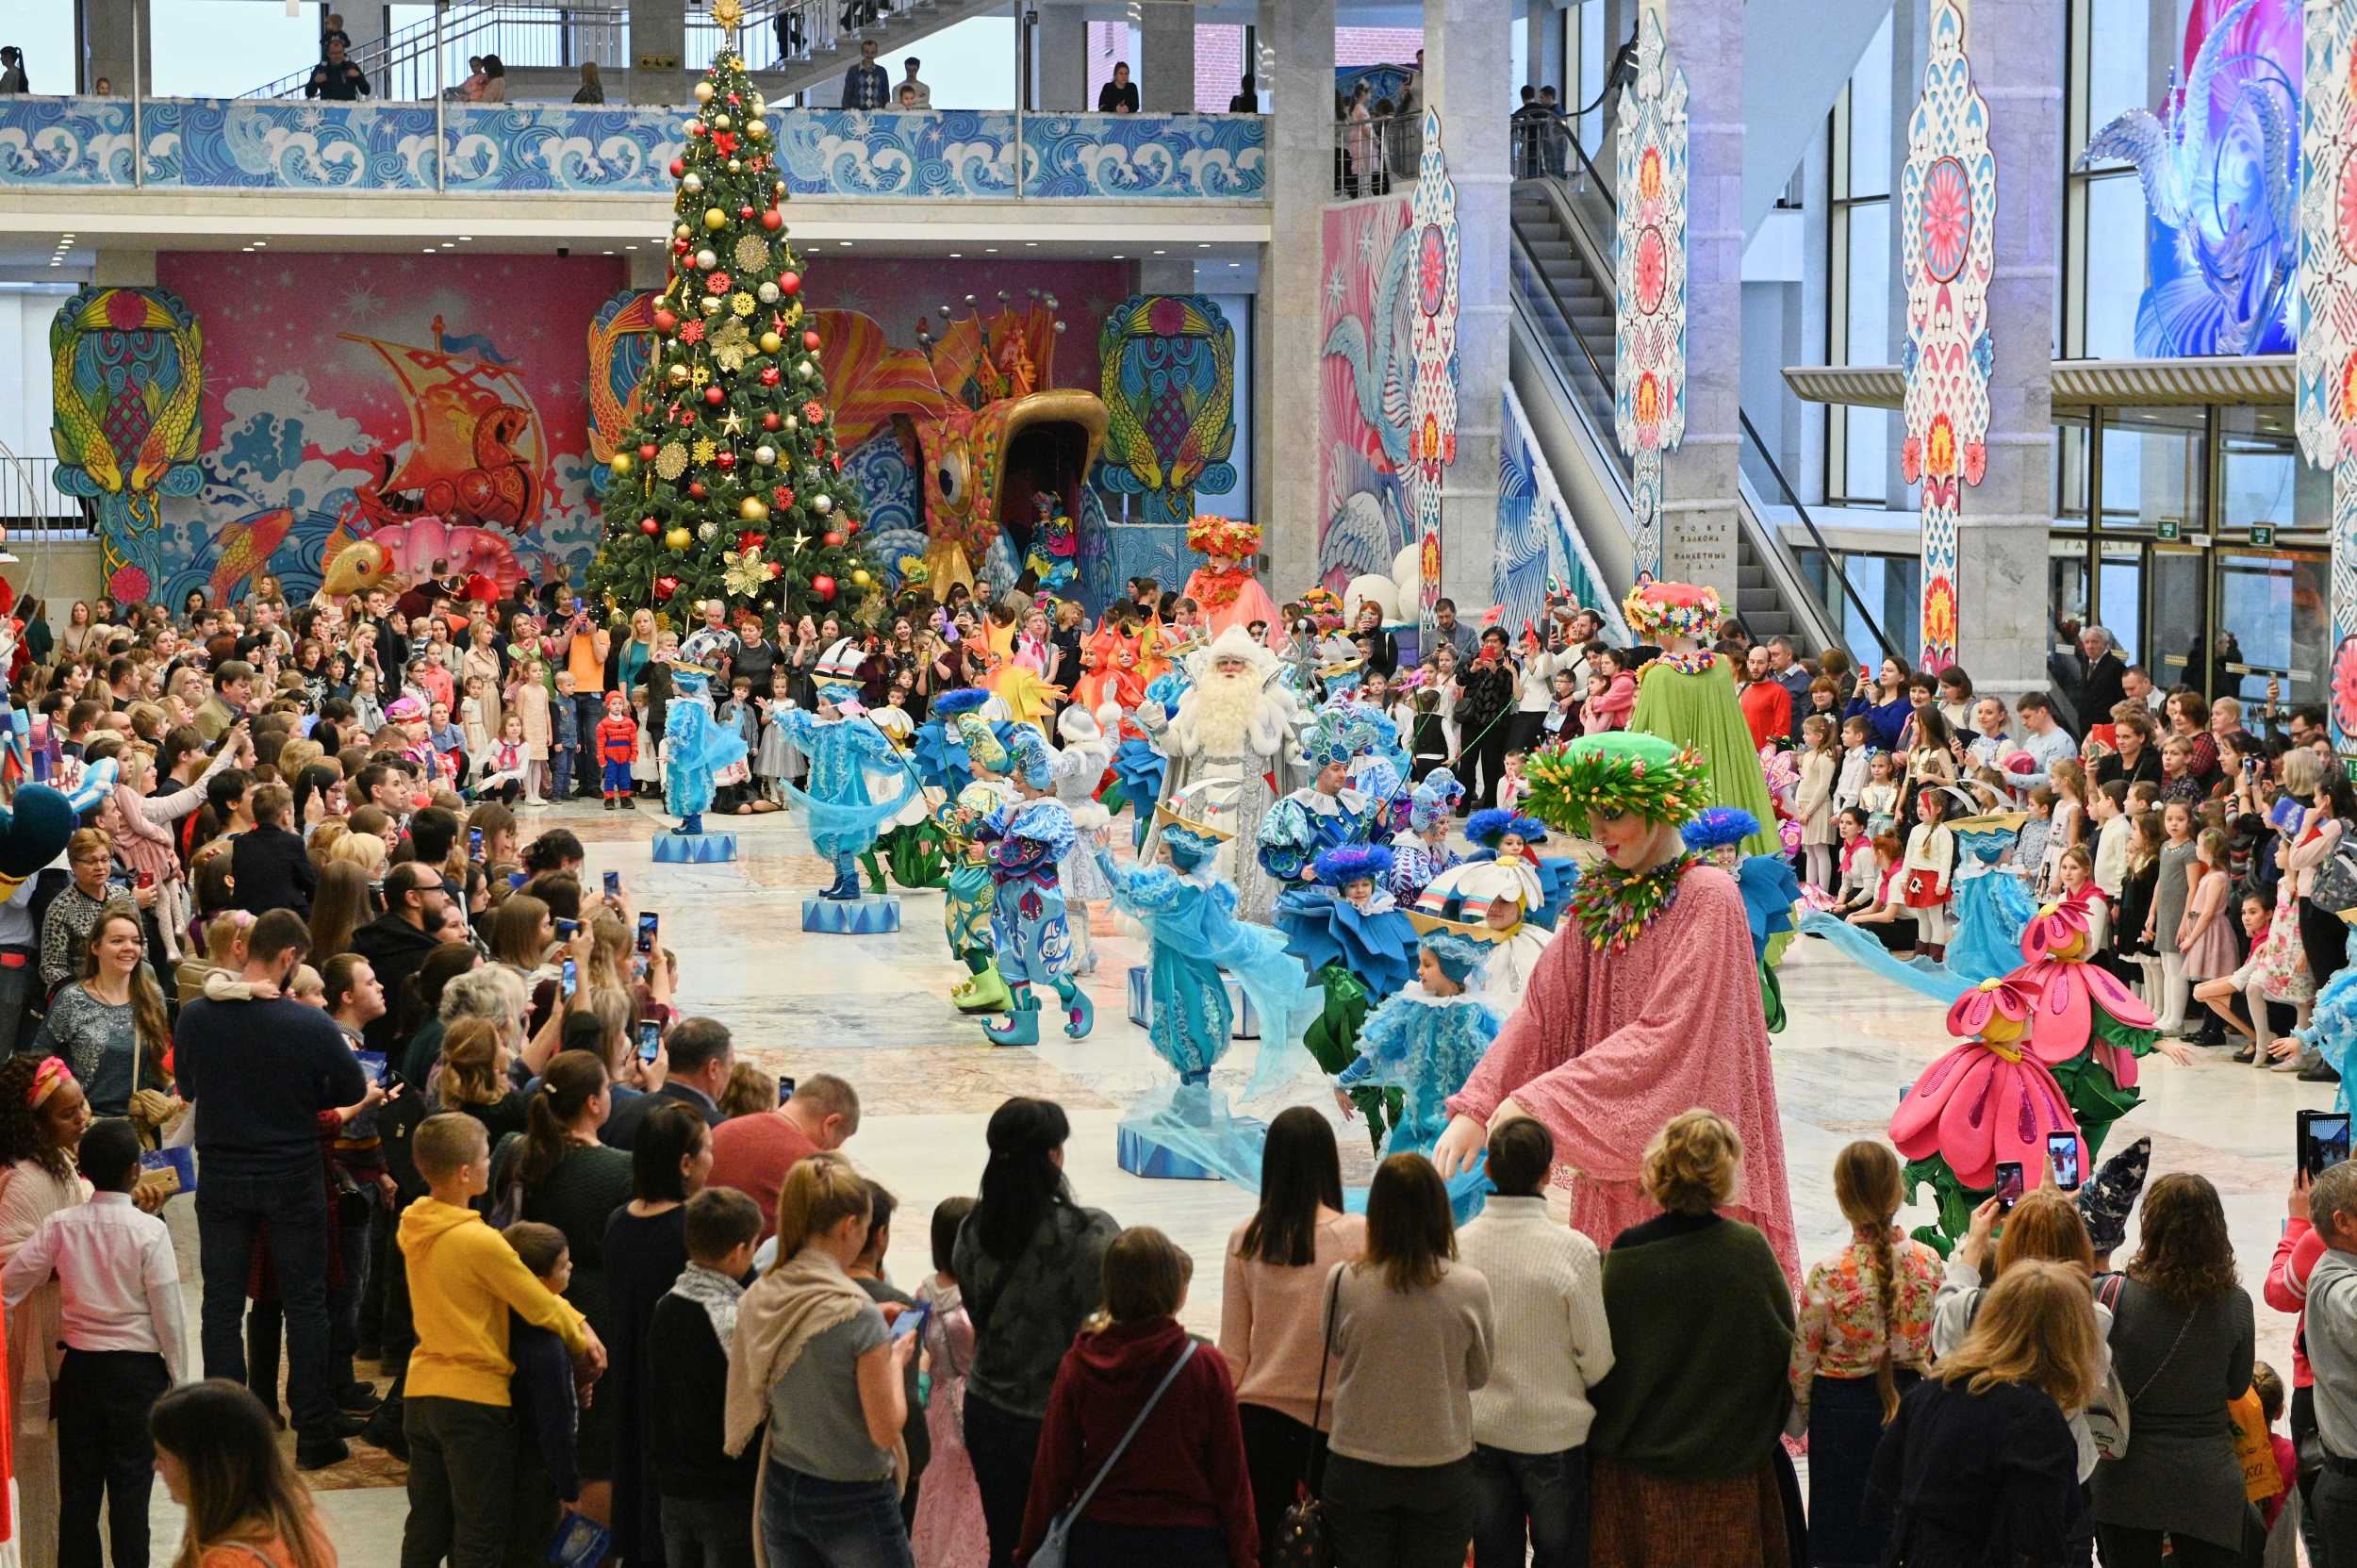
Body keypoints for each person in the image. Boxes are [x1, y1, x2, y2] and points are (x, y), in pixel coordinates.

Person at [1433, 734, 1799, 1279]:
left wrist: (1539, 1102)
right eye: (1589, 816)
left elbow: (1670, 1033)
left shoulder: (1709, 896)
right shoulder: (1600, 899)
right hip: (1612, 1167)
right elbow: (1542, 1014)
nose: (1598, 832)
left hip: (1688, 1168)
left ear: (1660, 807)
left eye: (1611, 813)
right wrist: (1478, 1106)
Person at [174, 911, 367, 1471]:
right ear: (288, 957)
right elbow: (349, 1087)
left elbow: (186, 1085)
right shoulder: (308, 1023)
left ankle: (227, 1436)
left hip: (223, 1170)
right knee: (306, 1304)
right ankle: (313, 1430)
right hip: (292, 1171)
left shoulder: (196, 1016)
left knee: (221, 1304)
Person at [1587, 1110, 1797, 1561]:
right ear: (1724, 1174)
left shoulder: (1626, 1256)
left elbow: (1598, 1362)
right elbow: (1783, 1352)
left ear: (1658, 1169)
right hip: (1731, 1469)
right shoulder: (1747, 1251)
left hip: (1636, 1481)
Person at [399, 1113, 602, 1568]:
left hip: (421, 1392)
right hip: (473, 1402)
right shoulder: (480, 1241)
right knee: (480, 1534)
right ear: (464, 1173)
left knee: (426, 1527)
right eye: (485, 1157)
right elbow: (539, 1302)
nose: (490, 1165)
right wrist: (584, 1334)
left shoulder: (415, 1223)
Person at [0, 1116, 187, 1568]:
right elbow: (169, 1317)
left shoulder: (61, 1226)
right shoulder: (150, 1231)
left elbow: (8, 1285)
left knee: (78, 1496)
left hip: (80, 1373)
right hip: (137, 1376)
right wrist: (179, 1383)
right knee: (131, 1497)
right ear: (135, 1171)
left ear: (83, 1169)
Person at [1018, 1227, 1256, 1566]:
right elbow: (1230, 1476)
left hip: (1100, 1541)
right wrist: (1245, 1556)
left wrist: (1027, 1549)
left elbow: (1052, 1470)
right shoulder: (1204, 1366)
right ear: (1174, 1287)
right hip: (1189, 1545)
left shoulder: (1079, 1365)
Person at [726, 1152, 919, 1568]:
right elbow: (885, 1429)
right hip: (853, 1498)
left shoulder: (765, 1292)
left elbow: (810, 1345)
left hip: (782, 1484)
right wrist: (895, 1359)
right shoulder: (856, 1314)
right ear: (849, 1226)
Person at [953, 1098, 1122, 1568]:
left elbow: (975, 1311)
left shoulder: (971, 1230)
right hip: (1060, 1420)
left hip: (987, 1407)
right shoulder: (1090, 1235)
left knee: (1006, 1540)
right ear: (1053, 1157)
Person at [1318, 1151, 1494, 1568]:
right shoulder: (1470, 1286)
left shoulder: (1343, 1280)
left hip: (1357, 1461)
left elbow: (1335, 1349)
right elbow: (1477, 1375)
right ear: (1439, 1211)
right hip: (1442, 1462)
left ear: (1376, 1211)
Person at [1863, 1260, 2101, 1565]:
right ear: (2070, 1338)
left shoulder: (1927, 1394)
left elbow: (1879, 1496)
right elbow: (2037, 1540)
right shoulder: (2036, 1420)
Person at [1453, 1117, 1611, 1568]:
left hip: (1480, 1430)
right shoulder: (1576, 1251)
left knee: (1493, 1556)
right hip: (1554, 1435)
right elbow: (1598, 1360)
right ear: (1548, 1172)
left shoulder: (1458, 1246)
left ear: (1487, 1170)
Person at [486, 1052, 633, 1522]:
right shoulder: (620, 1168)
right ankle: (587, 1550)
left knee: (533, 1435)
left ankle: (531, 1538)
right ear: (593, 1102)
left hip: (520, 1306)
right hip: (595, 1313)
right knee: (596, 1450)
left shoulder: (514, 1151)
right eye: (607, 1089)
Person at [1219, 1107, 1366, 1560]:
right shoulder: (1358, 1236)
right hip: (1336, 1425)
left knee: (1267, 1550)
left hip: (1258, 1421)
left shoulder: (1245, 1238)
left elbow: (1233, 1352)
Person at [2088, 1172, 2258, 1567]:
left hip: (2126, 1476)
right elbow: (2237, 1387)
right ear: (2217, 1230)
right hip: (2207, 1478)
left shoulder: (2110, 1296)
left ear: (2150, 1227)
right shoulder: (2236, 1304)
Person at [1788, 1140, 1941, 1568]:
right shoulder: (1929, 1263)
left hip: (1840, 1418)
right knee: (1902, 1532)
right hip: (1910, 1406)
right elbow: (1937, 1344)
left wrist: (1802, 1417)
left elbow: (1802, 1364)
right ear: (1898, 1192)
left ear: (1842, 1197)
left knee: (1842, 1539)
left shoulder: (1828, 1275)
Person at [605, 1101, 713, 1565]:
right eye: (708, 1150)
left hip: (629, 1376)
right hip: (678, 1391)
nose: (713, 1160)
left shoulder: (619, 1221)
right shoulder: (691, 1230)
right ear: (685, 1163)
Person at [651, 1185, 763, 1568]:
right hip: (724, 1488)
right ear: (738, 1252)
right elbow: (751, 1403)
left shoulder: (667, 1303)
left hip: (673, 1483)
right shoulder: (732, 1319)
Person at [150, 1379, 338, 1568]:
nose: (155, 1466)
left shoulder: (228, 1562)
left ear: (200, 1468)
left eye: (162, 1456)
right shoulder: (294, 1518)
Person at [35, 903, 169, 1119]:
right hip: (84, 1126)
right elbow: (40, 1060)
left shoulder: (154, 996)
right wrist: (70, 1103)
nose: (129, 947)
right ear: (95, 948)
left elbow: (161, 1063)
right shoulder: (71, 998)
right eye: (117, 941)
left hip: (138, 1128)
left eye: (136, 941)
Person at [499, 1221, 582, 1560]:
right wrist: (569, 1486)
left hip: (508, 1461)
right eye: (562, 1265)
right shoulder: (544, 1343)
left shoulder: (502, 1321)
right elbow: (555, 1419)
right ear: (536, 1281)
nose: (571, 1266)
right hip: (538, 1468)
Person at [350, 863, 453, 1057]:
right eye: (439, 889)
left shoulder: (364, 942)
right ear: (413, 898)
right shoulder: (431, 960)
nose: (446, 897)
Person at [602, 1015, 733, 1148]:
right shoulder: (720, 1131)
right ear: (713, 1069)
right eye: (730, 1065)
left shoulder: (621, 1109)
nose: (730, 1072)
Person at [232, 784, 319, 916]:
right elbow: (309, 883)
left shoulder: (241, 842)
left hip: (249, 914)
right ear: (286, 815)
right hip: (285, 915)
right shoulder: (292, 842)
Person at [305, 37, 370, 99]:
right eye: (334, 53)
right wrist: (315, 82)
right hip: (328, 106)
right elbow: (308, 93)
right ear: (328, 54)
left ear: (343, 51)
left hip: (349, 106)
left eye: (340, 52)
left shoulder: (351, 66)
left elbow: (366, 91)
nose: (337, 56)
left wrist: (358, 76)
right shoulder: (321, 69)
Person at [841, 37, 887, 107]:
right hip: (857, 113)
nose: (870, 55)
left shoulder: (882, 71)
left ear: (876, 53)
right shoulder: (853, 71)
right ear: (862, 53)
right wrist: (847, 110)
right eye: (867, 52)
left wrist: (886, 111)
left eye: (873, 52)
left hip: (878, 112)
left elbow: (886, 95)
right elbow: (847, 95)